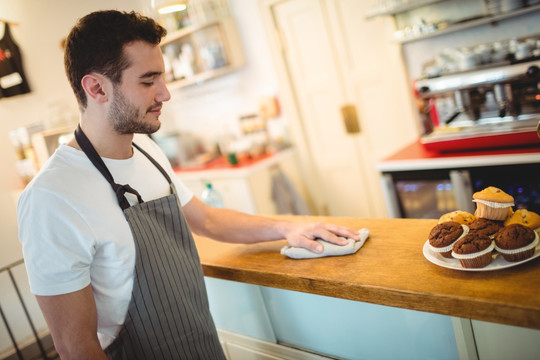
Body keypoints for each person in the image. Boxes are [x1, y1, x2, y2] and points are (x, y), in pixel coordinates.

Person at [17, 10, 360, 360]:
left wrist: (288, 227)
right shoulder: (51, 197)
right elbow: (76, 347)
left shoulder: (147, 150)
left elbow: (207, 220)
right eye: (148, 81)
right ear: (96, 88)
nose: (165, 94)